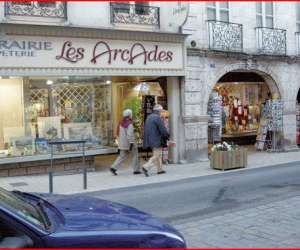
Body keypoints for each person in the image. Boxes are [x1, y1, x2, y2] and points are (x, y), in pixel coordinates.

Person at [110, 109, 140, 175]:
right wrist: (132, 143)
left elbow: (118, 133)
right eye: (131, 114)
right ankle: (136, 170)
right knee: (135, 155)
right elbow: (130, 134)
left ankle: (113, 167)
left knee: (122, 156)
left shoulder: (120, 122)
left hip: (122, 143)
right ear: (129, 115)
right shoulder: (129, 124)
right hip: (129, 143)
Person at [142, 104, 169, 177]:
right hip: (156, 139)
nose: (161, 112)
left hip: (150, 139)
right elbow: (162, 129)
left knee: (158, 154)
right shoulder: (157, 118)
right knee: (156, 155)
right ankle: (146, 167)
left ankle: (160, 170)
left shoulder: (149, 117)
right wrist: (167, 136)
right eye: (161, 111)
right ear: (159, 110)